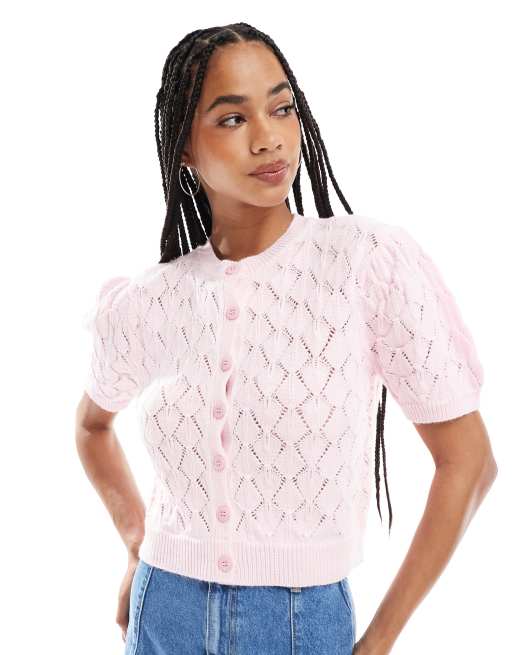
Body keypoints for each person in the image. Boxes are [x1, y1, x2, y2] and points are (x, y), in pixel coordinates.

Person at [75, 22, 497, 655]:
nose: (268, 137)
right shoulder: (153, 300)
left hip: (301, 624)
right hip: (163, 614)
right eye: (231, 119)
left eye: (281, 108)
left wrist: (378, 643)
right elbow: (91, 427)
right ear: (183, 147)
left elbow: (469, 461)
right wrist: (138, 543)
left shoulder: (363, 261)